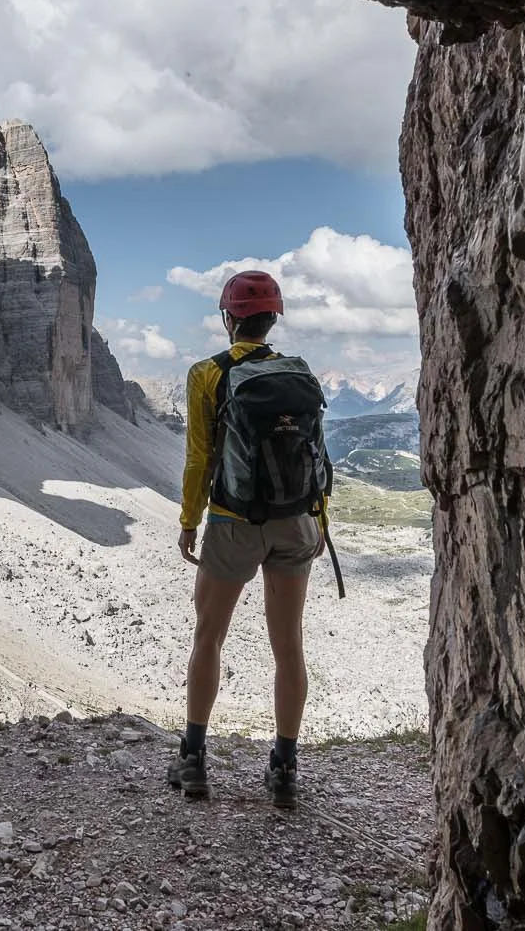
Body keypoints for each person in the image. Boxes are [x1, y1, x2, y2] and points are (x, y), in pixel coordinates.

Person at [166, 269, 326, 807]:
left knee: (209, 636)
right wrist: (319, 519)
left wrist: (189, 520)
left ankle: (193, 760)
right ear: (273, 318)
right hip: (296, 520)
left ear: (228, 319)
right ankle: (284, 770)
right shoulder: (299, 372)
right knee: (289, 646)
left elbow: (199, 458)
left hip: (234, 521)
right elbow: (317, 455)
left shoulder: (208, 373)